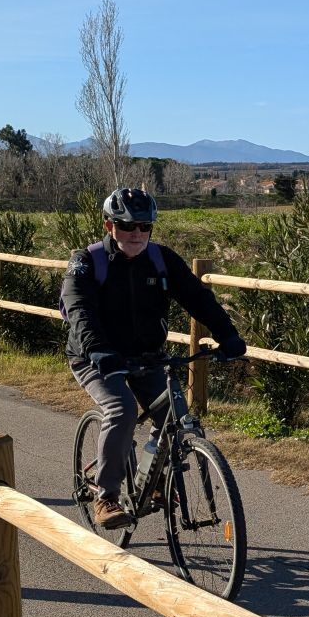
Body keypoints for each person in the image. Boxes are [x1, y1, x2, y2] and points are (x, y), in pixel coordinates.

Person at [62, 187, 246, 528]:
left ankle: (156, 480)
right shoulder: (86, 262)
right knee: (122, 409)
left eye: (144, 226)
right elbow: (79, 311)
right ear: (109, 226)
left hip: (147, 356)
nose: (136, 233)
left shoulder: (162, 260)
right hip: (95, 357)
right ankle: (106, 497)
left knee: (174, 415)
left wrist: (228, 335)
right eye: (126, 226)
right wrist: (99, 351)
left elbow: (198, 298)